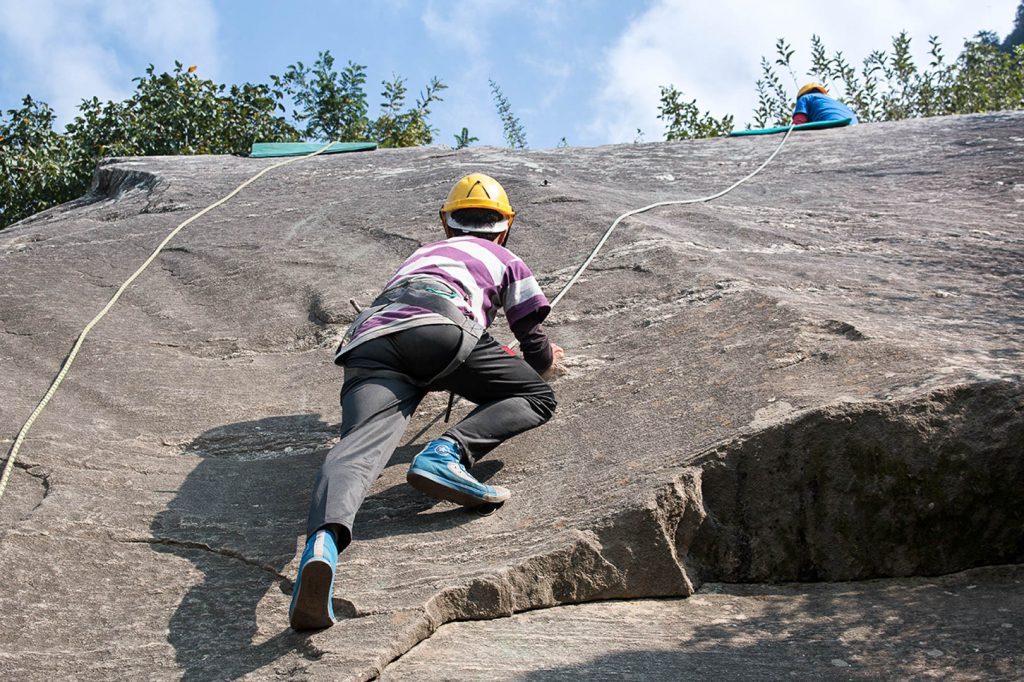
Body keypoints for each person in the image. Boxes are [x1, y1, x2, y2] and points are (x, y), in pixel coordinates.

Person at [288, 172, 565, 630]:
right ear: (505, 225)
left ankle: (322, 546)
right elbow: (533, 346)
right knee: (536, 395)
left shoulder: (421, 255)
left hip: (371, 337)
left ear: (447, 224)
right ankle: (446, 454)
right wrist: (547, 361)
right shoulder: (505, 257)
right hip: (441, 330)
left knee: (356, 448)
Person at [792, 83, 859, 125]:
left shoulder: (804, 98)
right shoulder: (838, 103)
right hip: (853, 124)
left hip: (831, 123)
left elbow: (799, 122)